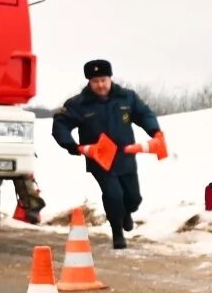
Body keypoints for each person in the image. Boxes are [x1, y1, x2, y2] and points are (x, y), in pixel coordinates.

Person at [51, 59, 162, 249]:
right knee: (113, 195)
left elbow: (144, 114)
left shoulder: (127, 98)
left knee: (134, 198)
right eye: (95, 81)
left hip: (125, 156)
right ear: (89, 82)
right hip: (99, 159)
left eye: (103, 80)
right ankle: (117, 232)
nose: (100, 85)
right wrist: (71, 145)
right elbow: (60, 124)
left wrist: (155, 132)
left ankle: (127, 213)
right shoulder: (79, 104)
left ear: (110, 78)